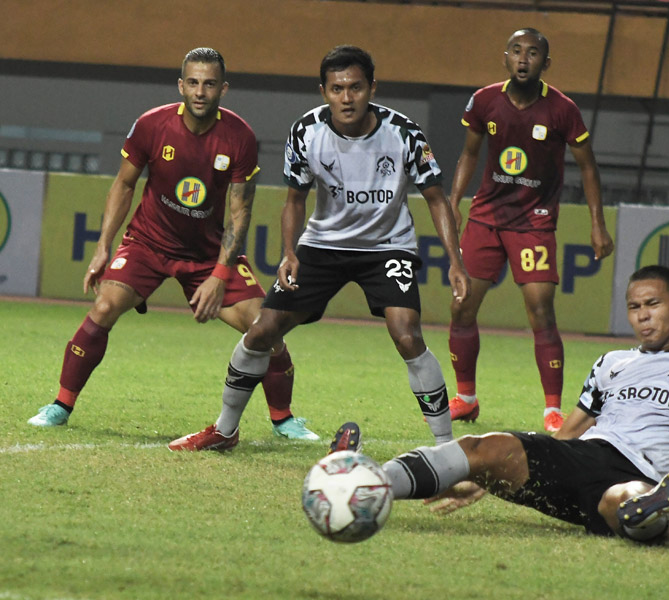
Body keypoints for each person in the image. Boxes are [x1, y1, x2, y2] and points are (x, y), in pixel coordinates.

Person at [170, 45, 470, 451]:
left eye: (355, 87)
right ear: (324, 91)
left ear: (372, 88)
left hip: (387, 247)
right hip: (323, 245)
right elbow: (294, 199)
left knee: (407, 334)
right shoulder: (306, 131)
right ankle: (225, 430)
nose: (346, 98)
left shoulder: (404, 133)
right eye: (336, 89)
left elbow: (436, 197)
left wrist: (455, 261)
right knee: (262, 331)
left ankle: (447, 448)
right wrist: (290, 253)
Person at [27, 47, 319, 442]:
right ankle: (60, 405)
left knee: (264, 328)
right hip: (147, 243)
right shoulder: (151, 125)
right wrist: (103, 246)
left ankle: (284, 419)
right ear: (181, 85)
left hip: (207, 253)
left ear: (223, 89)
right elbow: (124, 185)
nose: (200, 91)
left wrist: (219, 275)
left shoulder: (240, 137)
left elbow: (239, 212)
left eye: (210, 84)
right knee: (105, 306)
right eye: (193, 83)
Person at [332, 266, 669, 544]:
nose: (643, 317)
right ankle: (363, 482)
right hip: (582, 457)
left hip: (643, 471)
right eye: (635, 307)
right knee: (483, 447)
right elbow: (568, 433)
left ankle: (652, 514)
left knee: (623, 499)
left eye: (653, 304)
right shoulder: (613, 363)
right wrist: (488, 477)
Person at [447, 28, 615, 433]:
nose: (524, 59)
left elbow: (588, 167)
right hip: (486, 218)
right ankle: (466, 398)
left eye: (533, 53)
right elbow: (469, 153)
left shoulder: (562, 109)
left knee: (541, 311)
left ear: (546, 63)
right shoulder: (484, 100)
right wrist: (452, 203)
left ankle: (552, 410)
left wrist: (597, 224)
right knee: (461, 306)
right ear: (505, 57)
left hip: (534, 221)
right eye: (517, 51)